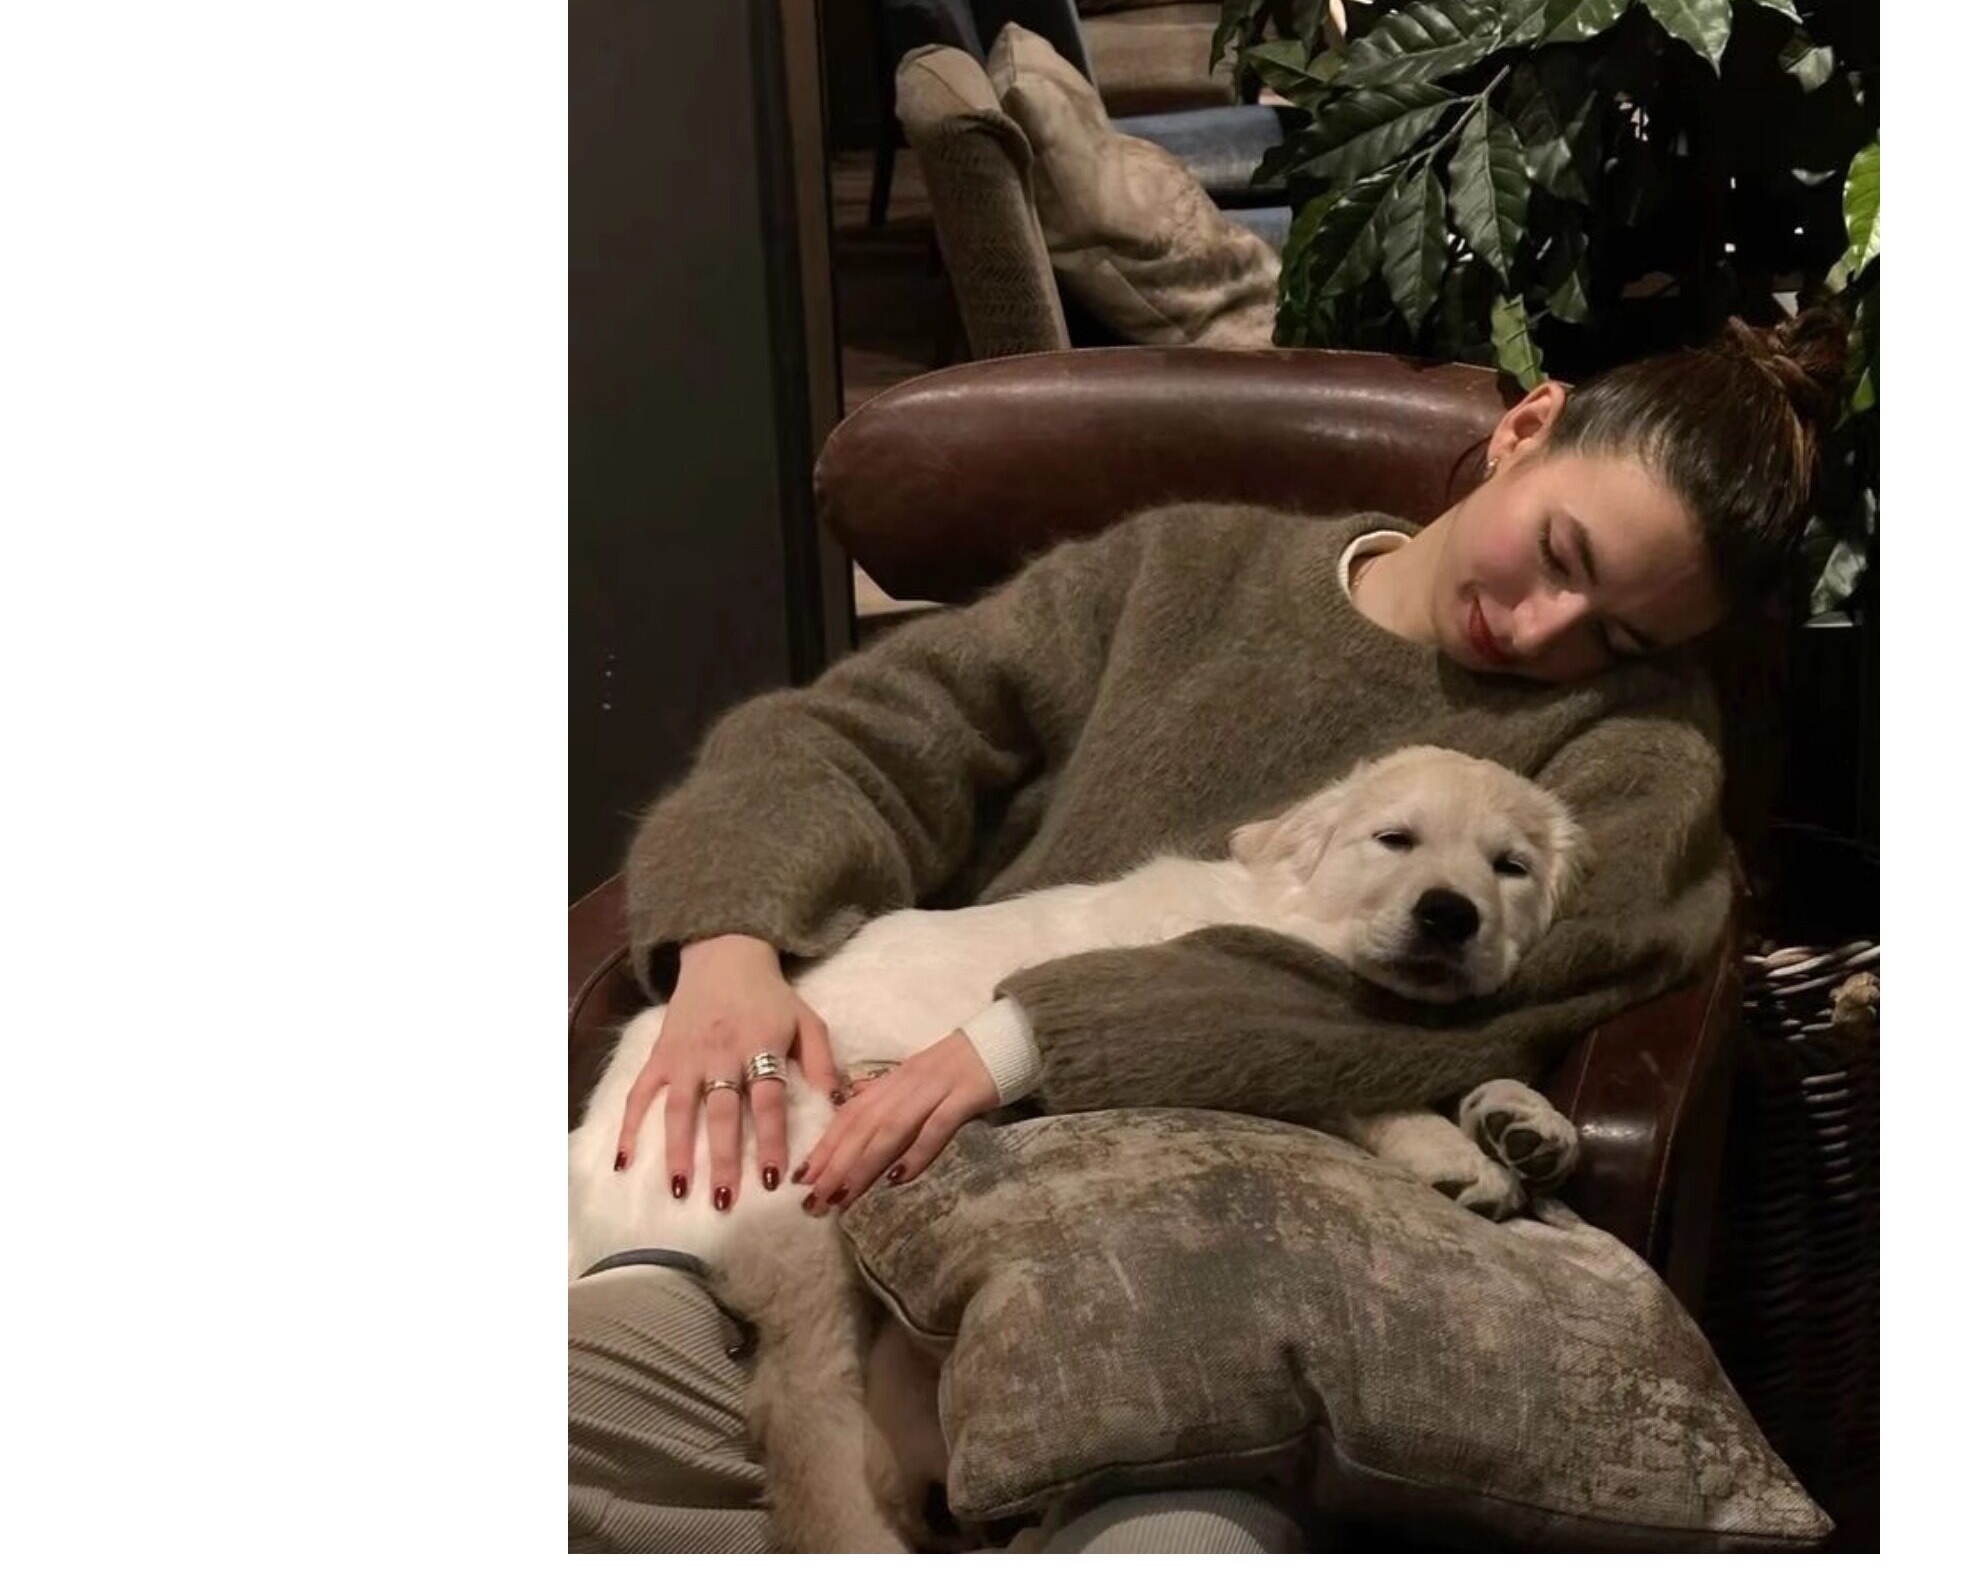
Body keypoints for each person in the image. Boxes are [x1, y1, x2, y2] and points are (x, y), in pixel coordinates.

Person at [569, 314, 1846, 1553]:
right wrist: (731, 952)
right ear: (1525, 428)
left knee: (1172, 1538)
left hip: (1193, 1284)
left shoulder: (1631, 751)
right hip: (847, 1174)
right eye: (1558, 554)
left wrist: (1030, 1039)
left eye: (1617, 634)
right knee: (580, 1408)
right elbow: (861, 738)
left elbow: (1491, 994)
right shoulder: (1181, 573)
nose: (1539, 629)